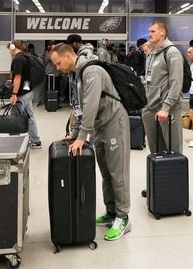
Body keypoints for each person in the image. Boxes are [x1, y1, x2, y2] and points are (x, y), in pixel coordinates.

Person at [52, 43, 131, 241]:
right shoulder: (77, 75)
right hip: (99, 126)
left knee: (117, 173)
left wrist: (82, 137)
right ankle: (111, 212)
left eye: (58, 63)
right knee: (106, 173)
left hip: (114, 122)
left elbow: (91, 105)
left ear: (69, 57)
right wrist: (75, 132)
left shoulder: (92, 72)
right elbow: (79, 107)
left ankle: (123, 218)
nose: (57, 68)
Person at [142, 21, 184, 155]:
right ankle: (158, 176)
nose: (149, 34)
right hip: (150, 108)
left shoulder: (172, 53)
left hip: (167, 109)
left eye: (152, 31)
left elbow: (176, 83)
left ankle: (174, 176)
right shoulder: (151, 53)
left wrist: (166, 108)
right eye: (149, 32)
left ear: (163, 33)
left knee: (173, 152)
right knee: (155, 152)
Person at [8, 39, 42, 149]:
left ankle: (14, 144)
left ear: (13, 47)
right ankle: (36, 141)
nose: (9, 52)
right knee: (29, 116)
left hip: (21, 94)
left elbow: (18, 77)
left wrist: (14, 94)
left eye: (10, 49)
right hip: (28, 91)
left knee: (14, 117)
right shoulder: (26, 57)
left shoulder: (17, 59)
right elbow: (24, 77)